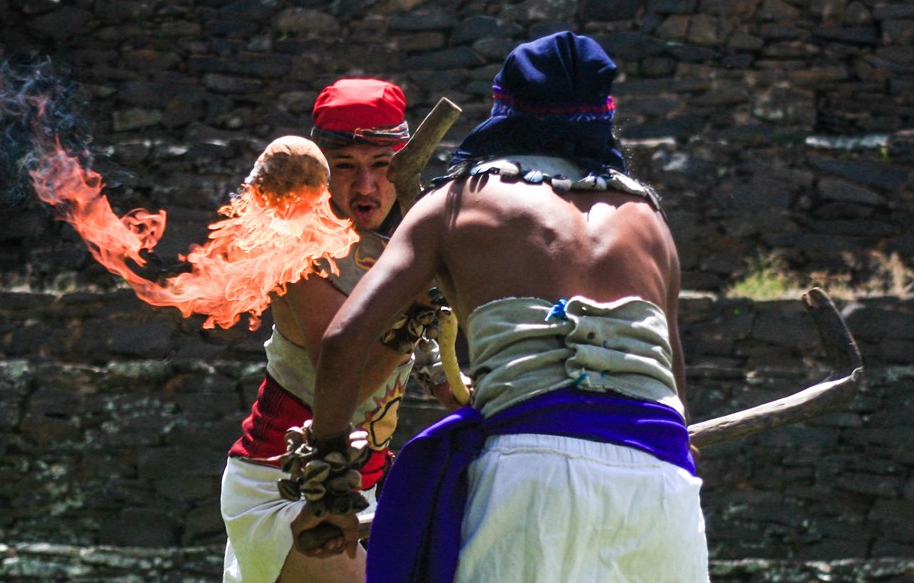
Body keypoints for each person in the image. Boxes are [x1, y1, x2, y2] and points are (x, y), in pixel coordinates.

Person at [291, 32, 710, 582]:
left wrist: (329, 486)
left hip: (530, 476)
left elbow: (346, 340)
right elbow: (673, 385)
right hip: (664, 482)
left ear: (503, 109)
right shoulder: (647, 216)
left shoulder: (457, 201)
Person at [220, 77, 457, 583]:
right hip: (283, 485)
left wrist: (455, 388)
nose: (366, 186)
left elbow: (430, 351)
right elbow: (345, 373)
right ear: (323, 176)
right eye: (346, 167)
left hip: (364, 485)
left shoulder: (402, 242)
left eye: (382, 165)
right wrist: (415, 311)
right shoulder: (296, 248)